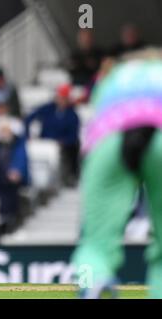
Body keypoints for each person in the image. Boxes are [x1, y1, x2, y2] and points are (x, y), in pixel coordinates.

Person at [71, 49, 162, 298]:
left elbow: (93, 116)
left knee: (95, 245)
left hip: (110, 136)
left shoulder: (112, 78)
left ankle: (93, 281)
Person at [0, 116, 29, 244]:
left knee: (11, 204)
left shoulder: (17, 145)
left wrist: (16, 171)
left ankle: (12, 227)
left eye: (6, 130)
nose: (4, 133)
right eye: (2, 131)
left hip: (12, 184)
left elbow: (20, 161)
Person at [24, 83, 80, 186]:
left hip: (62, 145)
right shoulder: (48, 108)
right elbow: (29, 119)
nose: (61, 100)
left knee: (73, 149)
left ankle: (70, 176)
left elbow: (73, 136)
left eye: (63, 98)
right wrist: (28, 136)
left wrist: (63, 142)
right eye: (59, 97)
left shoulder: (72, 115)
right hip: (44, 142)